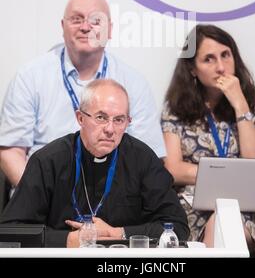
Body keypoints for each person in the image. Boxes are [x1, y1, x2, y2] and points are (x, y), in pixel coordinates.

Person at [0, 0, 165, 188]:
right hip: (43, 191)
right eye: (76, 19)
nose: (85, 27)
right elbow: (11, 152)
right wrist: (38, 195)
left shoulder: (134, 83)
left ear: (110, 30)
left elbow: (149, 156)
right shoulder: (30, 77)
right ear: (63, 27)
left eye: (96, 20)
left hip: (112, 197)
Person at [0, 80, 189, 247]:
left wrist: (116, 233)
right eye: (101, 117)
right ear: (80, 118)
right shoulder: (48, 161)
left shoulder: (143, 159)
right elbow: (11, 230)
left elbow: (177, 226)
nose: (110, 129)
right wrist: (66, 241)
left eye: (119, 120)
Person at [161, 24, 255, 258]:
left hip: (248, 206)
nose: (221, 67)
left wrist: (240, 105)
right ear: (193, 69)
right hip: (195, 205)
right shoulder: (175, 110)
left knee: (225, 222)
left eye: (226, 55)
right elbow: (173, 169)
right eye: (209, 59)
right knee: (218, 223)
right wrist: (226, 176)